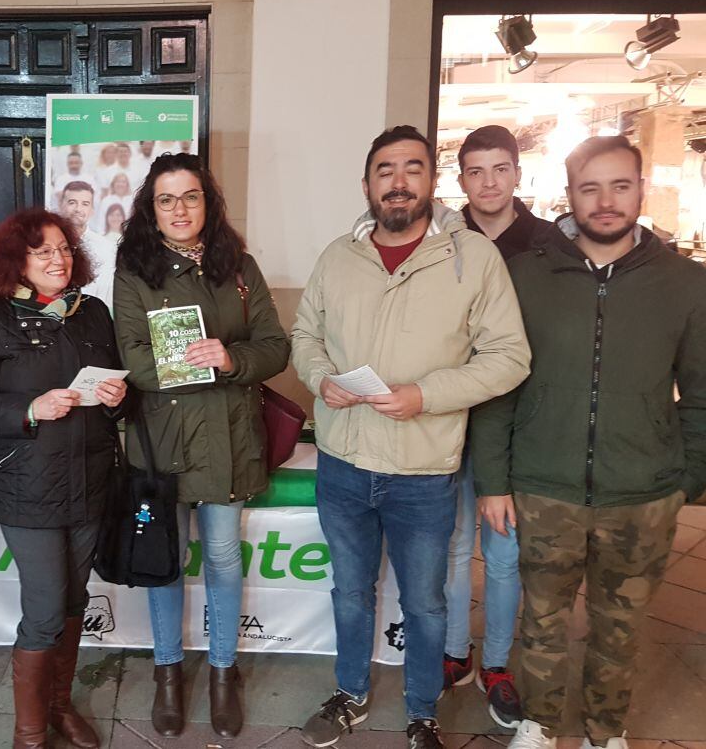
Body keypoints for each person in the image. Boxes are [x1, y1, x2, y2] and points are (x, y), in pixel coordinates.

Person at [291, 126, 531, 749]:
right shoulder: (336, 257)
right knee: (350, 591)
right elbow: (305, 335)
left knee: (425, 603)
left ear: (431, 181)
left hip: (423, 470)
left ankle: (423, 711)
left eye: (412, 168)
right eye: (384, 170)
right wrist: (320, 378)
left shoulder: (471, 258)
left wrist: (426, 395)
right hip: (343, 462)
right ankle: (350, 692)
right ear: (366, 184)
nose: (398, 181)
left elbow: (509, 357)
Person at [470, 134, 706, 749]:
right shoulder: (525, 276)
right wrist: (493, 480)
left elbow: (703, 394)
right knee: (542, 621)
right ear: (568, 194)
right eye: (589, 187)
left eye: (619, 185)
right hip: (544, 486)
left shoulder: (686, 285)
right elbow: (499, 386)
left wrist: (688, 480)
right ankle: (541, 722)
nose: (605, 201)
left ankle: (607, 729)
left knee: (619, 627)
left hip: (643, 491)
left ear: (641, 190)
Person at [113, 152, 290, 739]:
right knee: (164, 565)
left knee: (219, 557)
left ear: (208, 203)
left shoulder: (239, 266)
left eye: (190, 196)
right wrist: (187, 364)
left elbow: (275, 346)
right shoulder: (134, 269)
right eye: (166, 199)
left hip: (230, 440)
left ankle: (222, 672)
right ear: (151, 210)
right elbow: (133, 359)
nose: (179, 209)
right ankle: (167, 672)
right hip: (162, 444)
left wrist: (232, 357)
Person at [0, 208, 125, 749]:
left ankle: (59, 706)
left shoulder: (92, 313)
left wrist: (121, 398)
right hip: (26, 485)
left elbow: (117, 389)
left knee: (75, 602)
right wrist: (30, 408)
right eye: (43, 251)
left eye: (65, 249)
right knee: (46, 608)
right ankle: (29, 733)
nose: (58, 259)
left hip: (90, 480)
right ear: (17, 262)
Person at [442, 125, 552, 726]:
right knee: (456, 548)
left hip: (518, 425)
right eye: (475, 171)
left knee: (505, 555)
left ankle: (499, 665)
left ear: (517, 174)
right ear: (461, 180)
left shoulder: (548, 247)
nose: (488, 182)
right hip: (453, 417)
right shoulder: (443, 240)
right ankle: (456, 655)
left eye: (500, 169)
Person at [56, 181, 118, 308]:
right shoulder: (49, 244)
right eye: (72, 202)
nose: (78, 209)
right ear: (61, 205)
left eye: (85, 204)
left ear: (92, 210)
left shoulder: (107, 249)